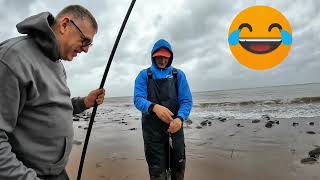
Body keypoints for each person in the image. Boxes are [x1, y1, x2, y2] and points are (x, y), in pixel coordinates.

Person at [0, 5, 105, 180]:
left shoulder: (57, 63)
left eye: (89, 44)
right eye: (85, 41)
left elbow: (52, 109)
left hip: (57, 173)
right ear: (64, 25)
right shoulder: (12, 58)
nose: (86, 49)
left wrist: (85, 102)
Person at [134, 39, 192, 180]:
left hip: (175, 129)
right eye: (159, 57)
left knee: (178, 170)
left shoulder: (178, 75)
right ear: (153, 56)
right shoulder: (144, 75)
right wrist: (154, 107)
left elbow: (186, 101)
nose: (162, 60)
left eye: (165, 57)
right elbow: (138, 99)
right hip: (152, 133)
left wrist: (180, 118)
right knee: (157, 172)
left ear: (170, 57)